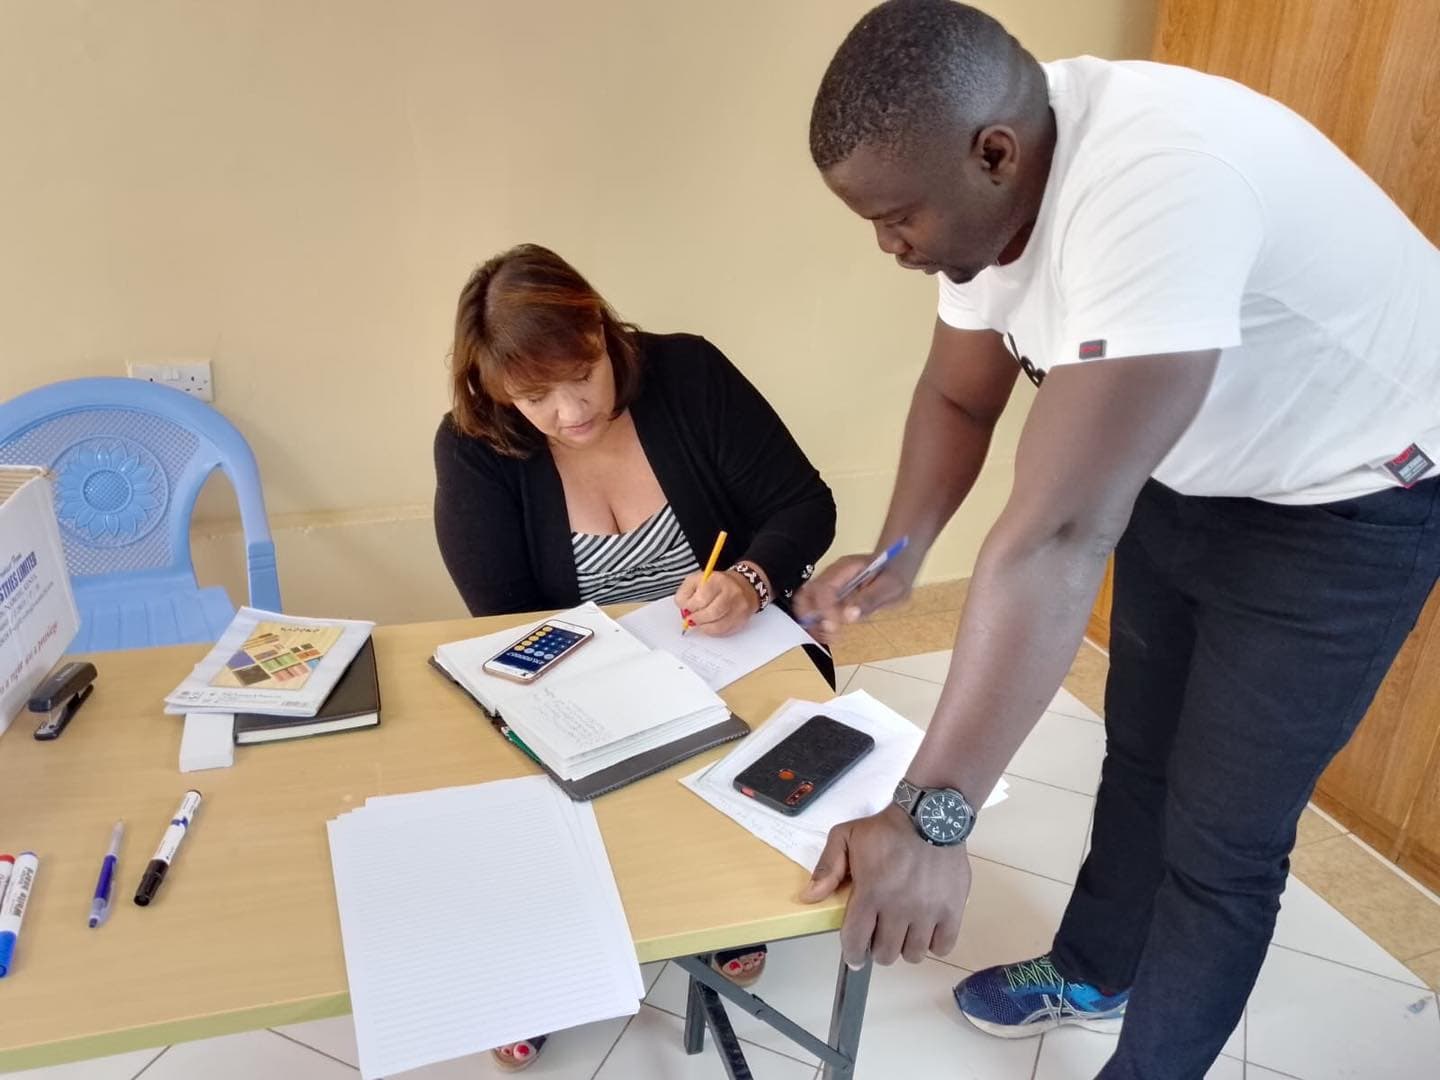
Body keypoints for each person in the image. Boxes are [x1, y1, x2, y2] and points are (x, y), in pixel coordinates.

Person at [794, 3, 1440, 1078]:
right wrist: (900, 555)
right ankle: (1099, 965)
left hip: (1349, 501)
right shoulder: (993, 170)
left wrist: (929, 821)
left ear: (993, 155)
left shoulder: (1156, 186)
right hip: (1191, 468)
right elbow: (959, 400)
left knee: (1223, 839)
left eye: (898, 217)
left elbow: (1053, 538)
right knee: (1141, 753)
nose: (889, 247)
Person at [433, 242, 836, 1070]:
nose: (568, 412)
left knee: (766, 757)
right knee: (524, 774)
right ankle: (548, 949)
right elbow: (507, 616)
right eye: (534, 396)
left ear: (602, 333)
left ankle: (724, 900)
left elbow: (803, 503)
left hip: (730, 651)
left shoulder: (686, 375)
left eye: (580, 376)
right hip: (582, 677)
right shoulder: (478, 445)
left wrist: (751, 580)